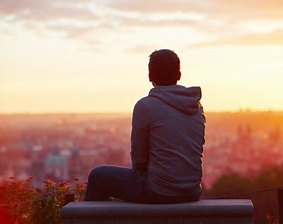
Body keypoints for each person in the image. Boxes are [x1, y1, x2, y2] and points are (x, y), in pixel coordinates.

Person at [84, 49, 205, 204]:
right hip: (193, 191)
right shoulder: (196, 106)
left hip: (159, 191)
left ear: (149, 76)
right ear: (179, 75)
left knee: (97, 176)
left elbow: (139, 159)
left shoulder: (145, 106)